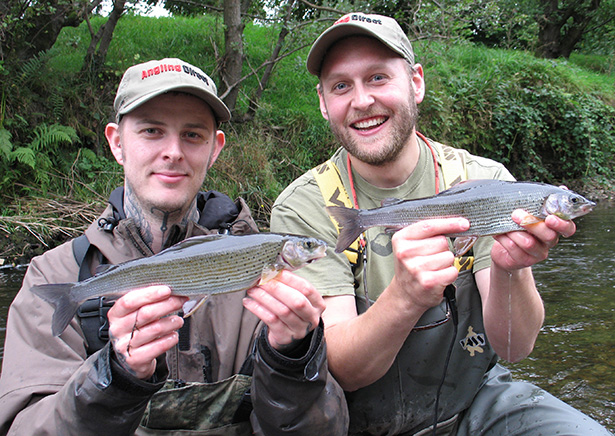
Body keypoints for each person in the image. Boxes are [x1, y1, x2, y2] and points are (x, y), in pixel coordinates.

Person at [271, 13, 612, 436]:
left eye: (378, 77)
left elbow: (514, 347)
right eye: (342, 85)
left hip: (473, 403)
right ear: (324, 102)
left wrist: (510, 270)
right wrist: (406, 296)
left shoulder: (486, 180)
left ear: (416, 82)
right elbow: (342, 370)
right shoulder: (304, 207)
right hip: (357, 420)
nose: (361, 101)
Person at [0, 58, 348, 435]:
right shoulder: (52, 274)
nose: (173, 152)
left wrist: (293, 359)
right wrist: (114, 377)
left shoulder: (270, 286)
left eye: (192, 135)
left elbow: (328, 429)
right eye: (152, 131)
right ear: (117, 143)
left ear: (215, 148)